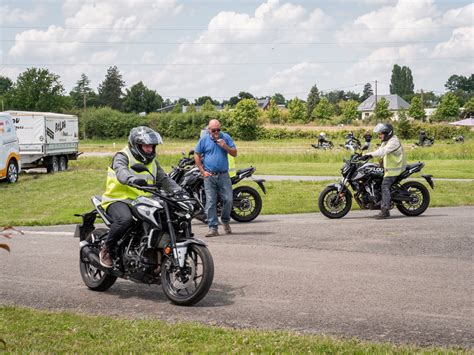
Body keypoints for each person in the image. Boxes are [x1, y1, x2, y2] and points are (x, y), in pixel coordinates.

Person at [99, 126, 183, 268]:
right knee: (124, 220)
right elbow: (121, 172)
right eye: (146, 146)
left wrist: (180, 192)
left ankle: (154, 254)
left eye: (151, 146)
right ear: (136, 145)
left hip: (142, 202)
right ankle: (106, 249)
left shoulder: (153, 162)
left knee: (163, 218)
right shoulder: (122, 156)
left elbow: (164, 180)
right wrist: (131, 179)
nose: (150, 150)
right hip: (118, 199)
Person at [194, 119, 237, 237]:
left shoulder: (226, 137)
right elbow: (196, 154)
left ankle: (225, 220)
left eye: (218, 129)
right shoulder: (204, 140)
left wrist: (225, 146)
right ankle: (213, 228)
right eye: (214, 130)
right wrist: (202, 171)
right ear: (209, 130)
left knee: (228, 199)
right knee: (211, 202)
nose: (216, 132)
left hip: (223, 175)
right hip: (210, 176)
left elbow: (234, 153)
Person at [362, 123, 406, 219]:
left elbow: (383, 151)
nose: (379, 136)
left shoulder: (394, 141)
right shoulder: (386, 141)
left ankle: (385, 210)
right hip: (388, 168)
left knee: (385, 185)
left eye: (381, 134)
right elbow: (379, 150)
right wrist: (364, 155)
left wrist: (369, 155)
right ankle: (377, 202)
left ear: (388, 133)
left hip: (394, 169)